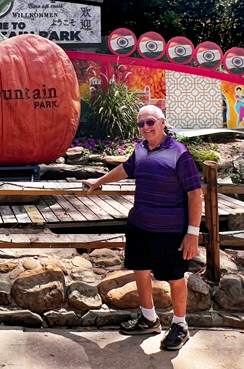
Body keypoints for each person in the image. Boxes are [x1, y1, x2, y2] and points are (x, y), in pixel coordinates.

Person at [82, 105, 203, 351]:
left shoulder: (180, 153)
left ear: (162, 122)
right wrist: (99, 181)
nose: (146, 127)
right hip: (139, 224)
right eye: (141, 124)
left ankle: (180, 325)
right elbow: (126, 169)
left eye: (150, 122)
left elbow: (195, 194)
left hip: (170, 229)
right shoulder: (140, 150)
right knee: (140, 269)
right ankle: (149, 318)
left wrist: (192, 233)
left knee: (174, 277)